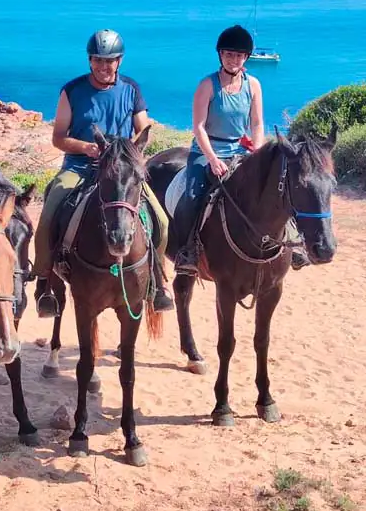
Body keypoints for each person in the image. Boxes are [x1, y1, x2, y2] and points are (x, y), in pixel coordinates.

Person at [33, 29, 174, 318]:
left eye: (109, 61)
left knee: (160, 219)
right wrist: (85, 147)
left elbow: (142, 130)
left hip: (119, 172)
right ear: (90, 60)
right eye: (97, 60)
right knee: (51, 210)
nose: (103, 66)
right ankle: (45, 280)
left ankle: (158, 283)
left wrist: (129, 156)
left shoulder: (131, 89)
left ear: (119, 61)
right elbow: (59, 137)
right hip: (80, 167)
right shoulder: (72, 90)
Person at [174, 25, 308, 271]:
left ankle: (294, 243)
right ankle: (188, 251)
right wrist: (213, 160)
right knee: (193, 196)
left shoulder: (253, 85)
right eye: (228, 54)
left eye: (238, 55)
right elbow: (199, 127)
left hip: (240, 149)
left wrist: (257, 152)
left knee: (277, 186)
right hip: (207, 150)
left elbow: (257, 123)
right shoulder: (207, 85)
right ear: (220, 55)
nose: (233, 60)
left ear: (246, 57)